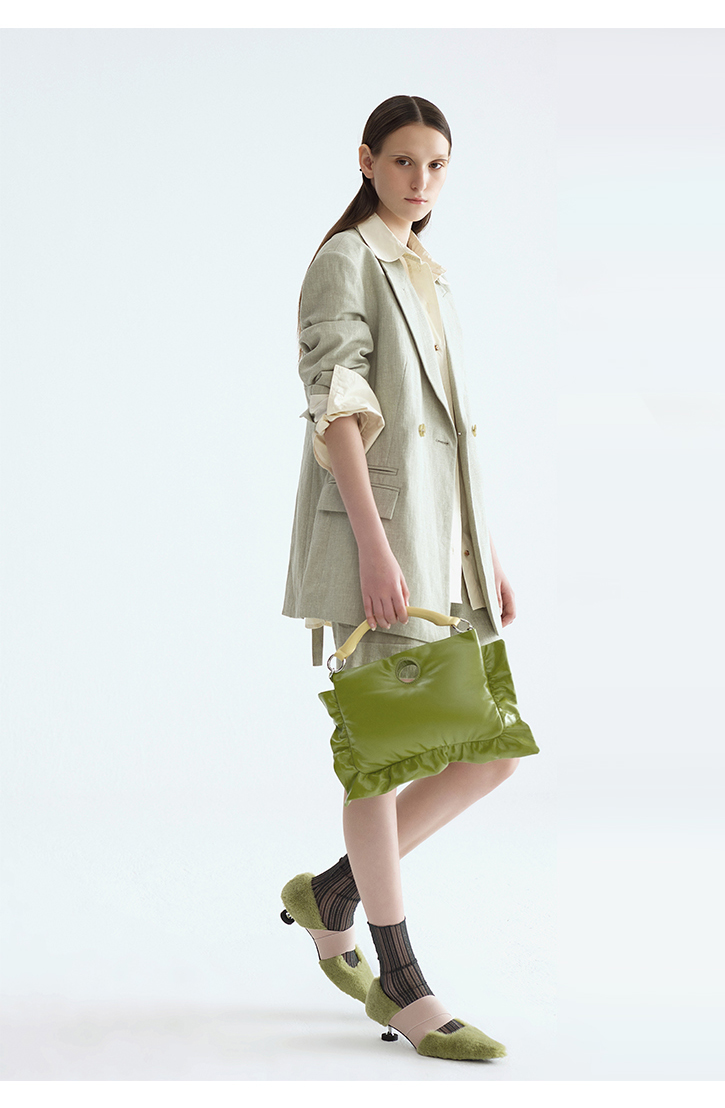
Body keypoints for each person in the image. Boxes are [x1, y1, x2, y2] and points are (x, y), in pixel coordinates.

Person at [281, 95, 521, 1061]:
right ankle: (402, 982)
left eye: (437, 164)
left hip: (443, 549)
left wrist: (487, 553)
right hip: (379, 551)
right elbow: (337, 410)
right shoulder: (347, 260)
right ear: (368, 162)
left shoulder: (426, 268)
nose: (421, 180)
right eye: (404, 161)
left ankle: (331, 895)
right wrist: (374, 551)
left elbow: (452, 439)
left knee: (492, 753)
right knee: (378, 762)